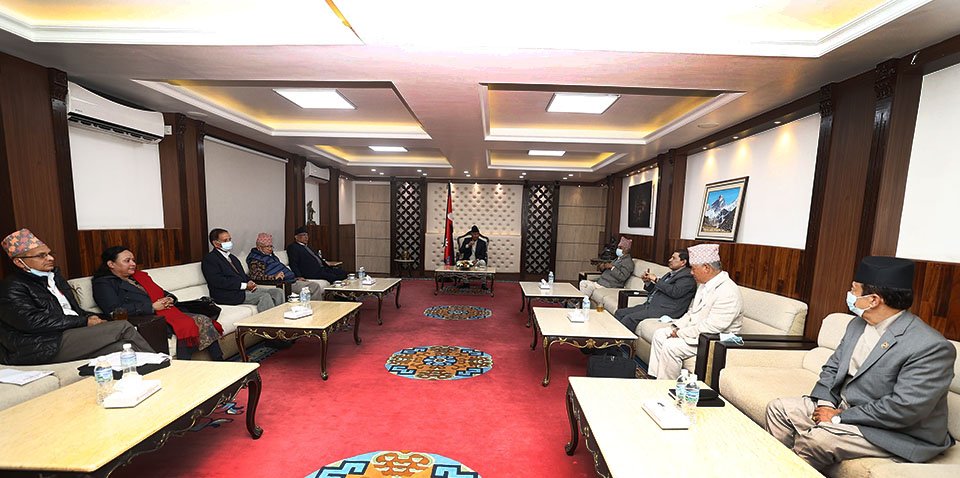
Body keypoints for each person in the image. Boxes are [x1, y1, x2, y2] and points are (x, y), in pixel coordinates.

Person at [765, 256, 955, 471]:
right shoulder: (857, 324)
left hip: (894, 431)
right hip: (844, 408)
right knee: (779, 410)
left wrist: (839, 417)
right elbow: (833, 367)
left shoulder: (930, 346)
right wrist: (826, 404)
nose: (849, 294)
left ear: (873, 300)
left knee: (817, 440)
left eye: (853, 290)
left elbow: (905, 408)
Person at [0, 229, 153, 365]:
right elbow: (33, 322)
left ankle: (150, 377)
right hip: (42, 344)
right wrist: (84, 321)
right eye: (41, 256)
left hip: (70, 332)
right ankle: (161, 366)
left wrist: (92, 317)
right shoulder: (12, 286)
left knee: (122, 348)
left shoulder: (54, 278)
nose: (50, 258)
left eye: (49, 254)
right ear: (19, 262)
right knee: (122, 326)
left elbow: (74, 311)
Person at [92, 246, 224, 360]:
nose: (133, 264)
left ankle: (219, 360)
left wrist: (170, 298)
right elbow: (114, 310)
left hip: (165, 311)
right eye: (127, 261)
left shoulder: (138, 277)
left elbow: (162, 292)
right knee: (196, 322)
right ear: (111, 264)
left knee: (203, 319)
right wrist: (151, 307)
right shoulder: (103, 283)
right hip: (146, 319)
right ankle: (187, 364)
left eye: (133, 260)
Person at [647, 243, 742, 380]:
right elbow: (692, 312)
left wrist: (681, 333)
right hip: (696, 334)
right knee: (660, 334)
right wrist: (676, 327)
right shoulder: (704, 285)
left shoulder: (728, 291)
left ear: (706, 268)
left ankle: (666, 385)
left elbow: (713, 327)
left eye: (693, 268)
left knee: (670, 346)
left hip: (715, 341)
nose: (691, 272)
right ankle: (654, 379)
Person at [201, 228, 284, 312]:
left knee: (278, 292)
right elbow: (218, 281)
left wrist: (249, 281)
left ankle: (279, 317)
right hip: (227, 294)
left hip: (242, 290)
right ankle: (267, 320)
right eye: (225, 240)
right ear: (215, 243)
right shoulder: (210, 259)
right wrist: (244, 286)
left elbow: (242, 275)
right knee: (264, 296)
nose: (229, 242)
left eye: (230, 239)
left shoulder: (232, 257)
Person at [614, 248, 696, 332]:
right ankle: (613, 338)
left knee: (629, 319)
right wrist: (647, 282)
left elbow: (675, 292)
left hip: (666, 310)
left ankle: (622, 340)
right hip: (651, 305)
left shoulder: (687, 277)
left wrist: (656, 280)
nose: (670, 260)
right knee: (619, 313)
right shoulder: (670, 274)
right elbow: (657, 290)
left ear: (683, 262)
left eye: (674, 258)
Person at [246, 233, 321, 297]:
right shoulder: (256, 260)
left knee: (314, 285)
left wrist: (296, 278)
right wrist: (274, 277)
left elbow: (280, 269)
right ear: (259, 247)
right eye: (267, 246)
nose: (270, 249)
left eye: (271, 246)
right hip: (283, 284)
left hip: (290, 280)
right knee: (314, 287)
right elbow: (256, 276)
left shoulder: (271, 256)